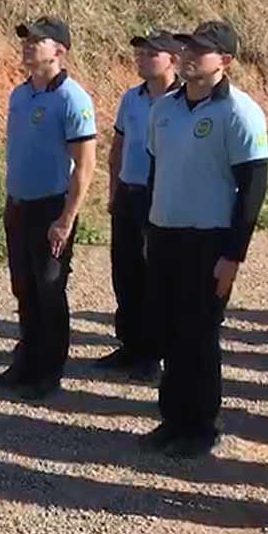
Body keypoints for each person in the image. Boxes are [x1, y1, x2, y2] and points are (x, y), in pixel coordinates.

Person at [141, 21, 268, 458]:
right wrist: (149, 228)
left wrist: (234, 255)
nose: (189, 53)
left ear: (225, 61)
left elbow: (252, 186)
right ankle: (172, 418)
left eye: (202, 48)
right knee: (169, 330)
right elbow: (157, 172)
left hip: (208, 241)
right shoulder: (164, 109)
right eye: (188, 45)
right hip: (165, 236)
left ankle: (201, 426)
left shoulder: (239, 111)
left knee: (199, 334)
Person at [0, 16, 97, 400]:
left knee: (49, 291)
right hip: (19, 205)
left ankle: (48, 370)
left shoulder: (73, 98)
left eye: (38, 41)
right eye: (26, 40)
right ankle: (26, 361)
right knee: (23, 287)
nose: (28, 46)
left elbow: (85, 165)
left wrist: (65, 219)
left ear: (59, 50)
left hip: (51, 208)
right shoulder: (20, 95)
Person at [96, 30, 183, 382]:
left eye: (151, 53)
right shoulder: (131, 98)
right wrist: (114, 191)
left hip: (160, 196)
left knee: (154, 277)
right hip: (130, 194)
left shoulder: (182, 101)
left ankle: (152, 354)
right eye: (140, 53)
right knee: (125, 272)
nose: (142, 58)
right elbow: (117, 147)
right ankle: (129, 345)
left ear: (172, 59)